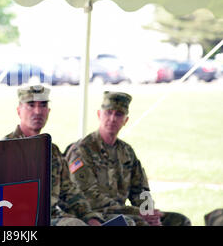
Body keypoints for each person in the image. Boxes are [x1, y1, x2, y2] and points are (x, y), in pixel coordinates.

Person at [64, 91, 191, 226]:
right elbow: (88, 197)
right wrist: (136, 212)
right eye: (108, 112)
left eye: (118, 114)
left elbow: (141, 190)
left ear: (125, 120)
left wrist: (149, 212)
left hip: (124, 213)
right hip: (93, 215)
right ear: (99, 114)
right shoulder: (82, 150)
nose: (112, 119)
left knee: (179, 220)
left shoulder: (126, 152)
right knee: (134, 222)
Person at [3, 84, 103, 226]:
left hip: (53, 216)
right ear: (19, 111)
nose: (37, 111)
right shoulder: (4, 149)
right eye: (31, 105)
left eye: (43, 105)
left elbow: (69, 191)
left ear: (48, 111)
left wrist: (90, 216)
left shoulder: (52, 151)